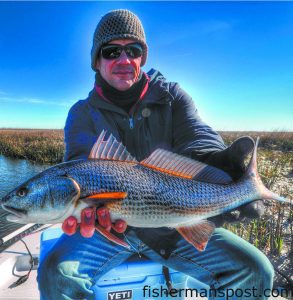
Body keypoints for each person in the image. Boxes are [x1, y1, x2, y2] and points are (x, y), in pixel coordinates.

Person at [38, 9, 273, 300]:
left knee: (256, 270)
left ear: (142, 57)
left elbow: (197, 137)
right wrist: (90, 213)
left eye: (132, 50)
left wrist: (217, 163)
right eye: (111, 51)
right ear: (96, 62)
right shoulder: (81, 113)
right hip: (105, 232)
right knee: (55, 273)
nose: (123, 60)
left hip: (176, 224)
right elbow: (81, 164)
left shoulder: (172, 96)